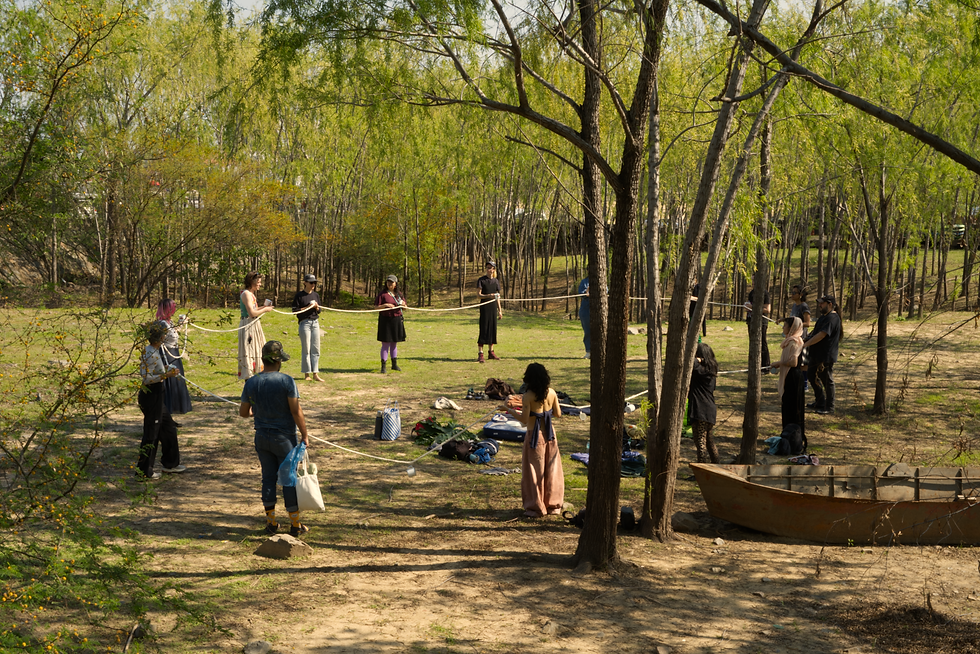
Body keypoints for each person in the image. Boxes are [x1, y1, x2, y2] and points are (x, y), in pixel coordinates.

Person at [240, 341, 311, 537]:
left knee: (268, 478)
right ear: (279, 361)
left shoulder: (251, 382)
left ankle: (271, 523)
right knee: (288, 480)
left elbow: (243, 413)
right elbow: (296, 411)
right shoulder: (287, 381)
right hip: (284, 439)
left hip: (261, 437)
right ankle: (295, 525)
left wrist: (258, 411)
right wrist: (305, 435)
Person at [504, 363, 564, 518]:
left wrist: (509, 410)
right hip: (550, 435)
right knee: (552, 469)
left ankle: (536, 507)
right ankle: (553, 505)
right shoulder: (551, 393)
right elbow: (558, 414)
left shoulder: (528, 396)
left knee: (533, 472)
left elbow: (524, 420)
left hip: (534, 437)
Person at [136, 321, 186, 480]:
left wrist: (167, 370)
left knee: (169, 427)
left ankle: (171, 464)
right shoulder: (149, 353)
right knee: (152, 433)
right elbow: (146, 379)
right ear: (161, 337)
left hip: (158, 394)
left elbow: (156, 370)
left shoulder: (154, 351)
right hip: (151, 396)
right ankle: (143, 472)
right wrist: (166, 375)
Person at [803, 295, 842, 415]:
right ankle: (820, 401)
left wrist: (805, 345)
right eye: (820, 303)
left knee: (827, 380)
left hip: (826, 355)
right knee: (811, 375)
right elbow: (815, 333)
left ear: (830, 304)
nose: (820, 305)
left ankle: (830, 407)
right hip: (816, 354)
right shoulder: (823, 317)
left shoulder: (833, 318)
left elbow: (821, 335)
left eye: (822, 303)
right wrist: (805, 339)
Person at [156, 298, 192, 415]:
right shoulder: (162, 324)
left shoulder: (169, 322)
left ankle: (177, 405)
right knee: (170, 378)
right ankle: (169, 407)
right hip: (167, 354)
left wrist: (181, 324)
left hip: (174, 353)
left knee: (176, 379)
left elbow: (173, 334)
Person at [772, 317, 806, 433]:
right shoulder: (789, 341)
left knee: (793, 408)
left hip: (793, 378)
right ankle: (787, 433)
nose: (783, 327)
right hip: (790, 376)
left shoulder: (795, 342)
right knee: (787, 406)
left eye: (785, 325)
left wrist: (779, 363)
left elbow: (793, 363)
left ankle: (793, 435)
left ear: (791, 328)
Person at [239, 272, 275, 380]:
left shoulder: (251, 294)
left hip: (254, 325)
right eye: (258, 282)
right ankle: (249, 382)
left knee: (258, 351)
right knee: (249, 352)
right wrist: (265, 309)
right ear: (251, 282)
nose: (260, 284)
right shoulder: (246, 294)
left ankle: (257, 378)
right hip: (248, 325)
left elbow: (254, 310)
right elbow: (251, 313)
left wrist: (264, 307)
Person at [687, 342, 719, 463]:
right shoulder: (711, 369)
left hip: (700, 410)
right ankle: (717, 465)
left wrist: (698, 359)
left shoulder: (699, 370)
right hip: (709, 409)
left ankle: (702, 469)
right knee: (709, 442)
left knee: (700, 442)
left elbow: (691, 364)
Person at [292, 274, 323, 382]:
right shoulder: (299, 296)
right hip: (304, 323)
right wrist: (308, 307)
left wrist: (317, 307)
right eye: (311, 282)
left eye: (314, 282)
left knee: (316, 349)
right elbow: (295, 311)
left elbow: (319, 311)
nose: (313, 284)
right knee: (306, 349)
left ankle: (315, 373)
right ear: (305, 283)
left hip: (315, 323)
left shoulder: (316, 295)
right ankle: (307, 374)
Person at [375, 274, 407, 374]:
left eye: (391, 282)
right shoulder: (382, 294)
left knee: (394, 343)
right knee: (385, 343)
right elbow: (376, 307)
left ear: (395, 284)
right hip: (385, 320)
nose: (389, 284)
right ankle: (383, 366)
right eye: (388, 282)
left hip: (396, 320)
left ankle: (394, 364)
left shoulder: (399, 295)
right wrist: (385, 305)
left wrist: (403, 305)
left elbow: (405, 307)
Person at [476, 260, 503, 363]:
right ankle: (480, 354)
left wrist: (500, 310)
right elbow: (478, 295)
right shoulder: (481, 280)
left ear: (494, 269)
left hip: (493, 308)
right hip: (484, 307)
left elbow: (498, 297)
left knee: (492, 329)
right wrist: (489, 295)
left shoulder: (496, 281)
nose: (489, 270)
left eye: (491, 268)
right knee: (484, 328)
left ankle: (491, 352)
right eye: (488, 268)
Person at [744, 287, 771, 373]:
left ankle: (765, 367)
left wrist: (753, 307)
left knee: (762, 344)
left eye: (754, 280)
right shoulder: (752, 292)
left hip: (761, 322)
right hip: (750, 321)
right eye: (752, 281)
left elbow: (767, 309)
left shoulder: (765, 293)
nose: (753, 283)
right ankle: (753, 367)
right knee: (753, 344)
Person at [578, 277, 591, 358]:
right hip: (586, 310)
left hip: (600, 310)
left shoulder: (602, 279)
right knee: (588, 331)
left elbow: (605, 291)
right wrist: (587, 291)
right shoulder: (584, 282)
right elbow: (581, 293)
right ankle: (589, 351)